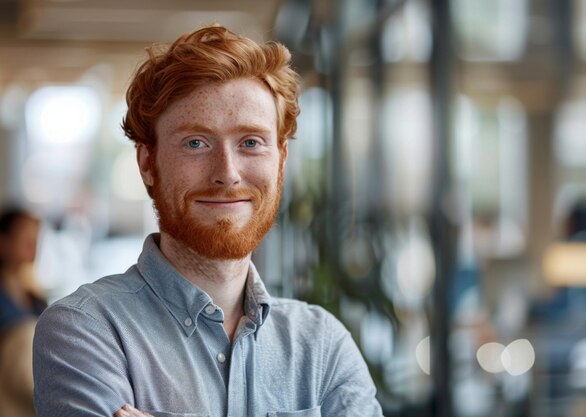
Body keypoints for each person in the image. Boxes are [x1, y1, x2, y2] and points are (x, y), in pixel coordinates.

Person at [33, 25, 383, 417]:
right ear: (148, 163)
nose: (228, 173)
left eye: (251, 142)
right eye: (196, 143)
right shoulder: (85, 330)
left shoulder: (323, 346)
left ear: (281, 160)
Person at [0, 207, 47, 417]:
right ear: (3, 241)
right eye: (25, 237)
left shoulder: (34, 295)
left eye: (35, 238)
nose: (33, 245)